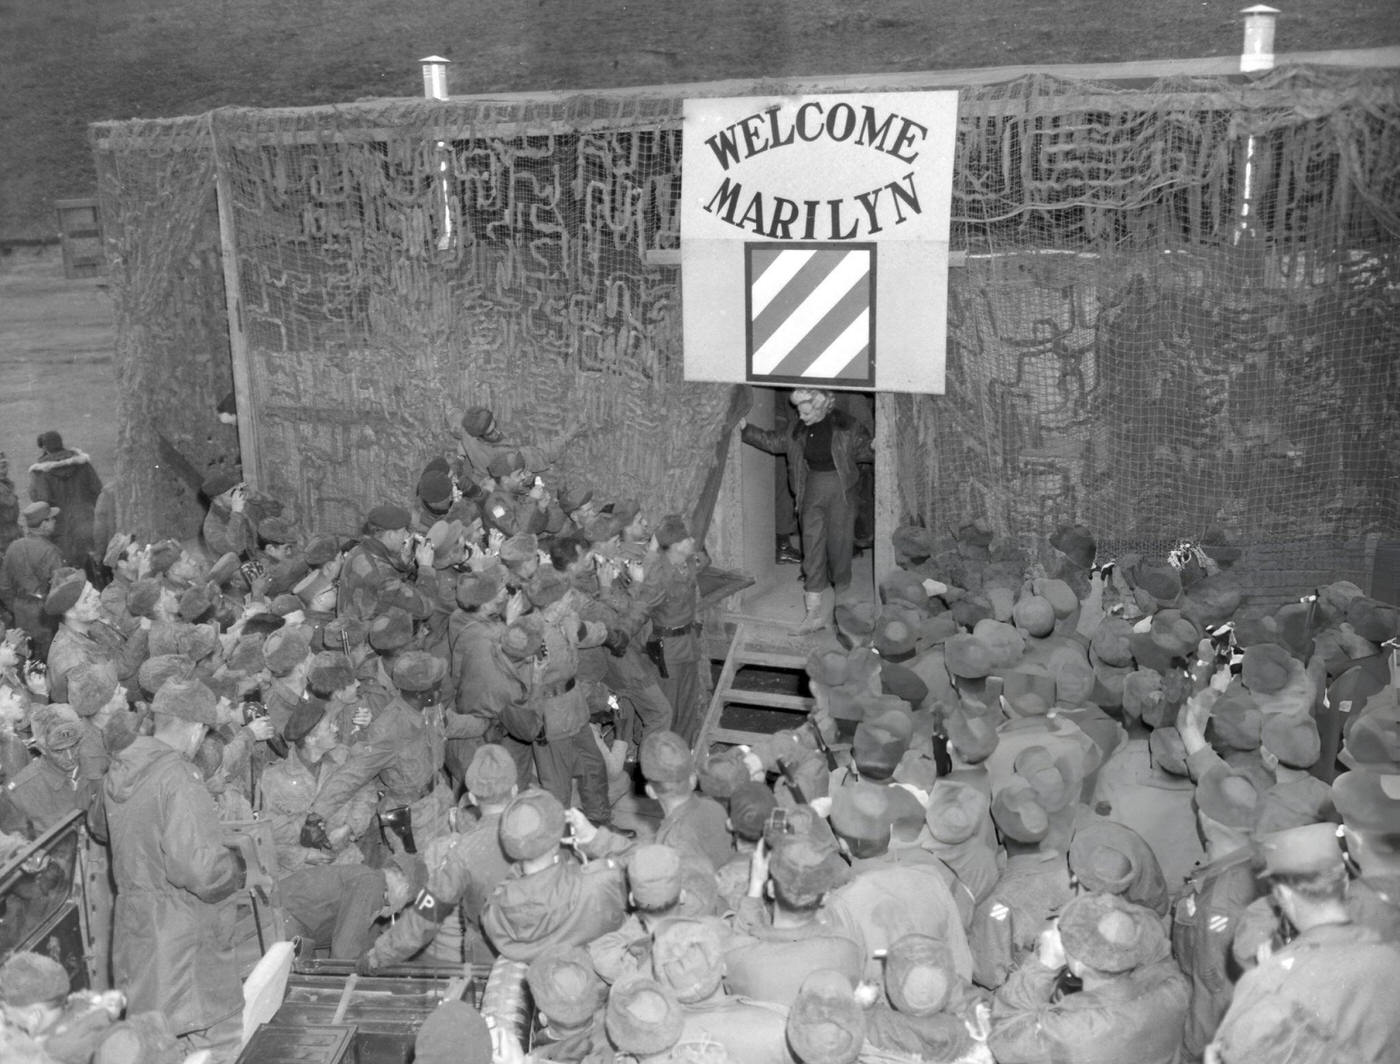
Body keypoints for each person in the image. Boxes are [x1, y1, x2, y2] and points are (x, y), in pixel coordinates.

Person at [100, 677, 248, 1060]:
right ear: (197, 729)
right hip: (185, 942)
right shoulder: (179, 776)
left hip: (137, 933)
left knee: (158, 1046)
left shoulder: (121, 766)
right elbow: (199, 870)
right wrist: (235, 868)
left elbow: (99, 825)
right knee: (219, 1044)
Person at [1207, 821, 1400, 1064]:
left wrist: (1271, 983)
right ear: (1345, 882)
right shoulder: (1390, 955)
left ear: (1283, 894)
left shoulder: (1266, 982)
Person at [988, 892, 1187, 1064]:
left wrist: (1043, 964)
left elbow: (1004, 1037)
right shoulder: (1175, 989)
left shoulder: (1072, 1030)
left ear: (1077, 964)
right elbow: (1157, 953)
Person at [739, 388, 874, 632]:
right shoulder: (797, 429)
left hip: (841, 493)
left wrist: (877, 446)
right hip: (811, 492)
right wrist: (745, 429)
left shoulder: (847, 426)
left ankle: (842, 609)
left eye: (806, 412)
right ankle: (813, 613)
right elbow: (773, 441)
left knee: (840, 549)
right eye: (799, 411)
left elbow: (867, 450)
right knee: (811, 548)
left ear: (822, 407)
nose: (801, 416)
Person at [27, 431, 103, 572]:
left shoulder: (41, 473)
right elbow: (97, 490)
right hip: (86, 523)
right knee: (92, 566)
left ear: (45, 447)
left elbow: (41, 501)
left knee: (67, 571)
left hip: (60, 529)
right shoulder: (82, 464)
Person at [0, 502, 65, 659]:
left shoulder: (13, 547)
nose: (55, 521)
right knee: (49, 656)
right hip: (46, 615)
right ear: (44, 524)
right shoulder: (51, 551)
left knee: (25, 655)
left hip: (21, 611)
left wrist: (17, 606)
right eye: (51, 518)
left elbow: (4, 586)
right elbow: (61, 590)